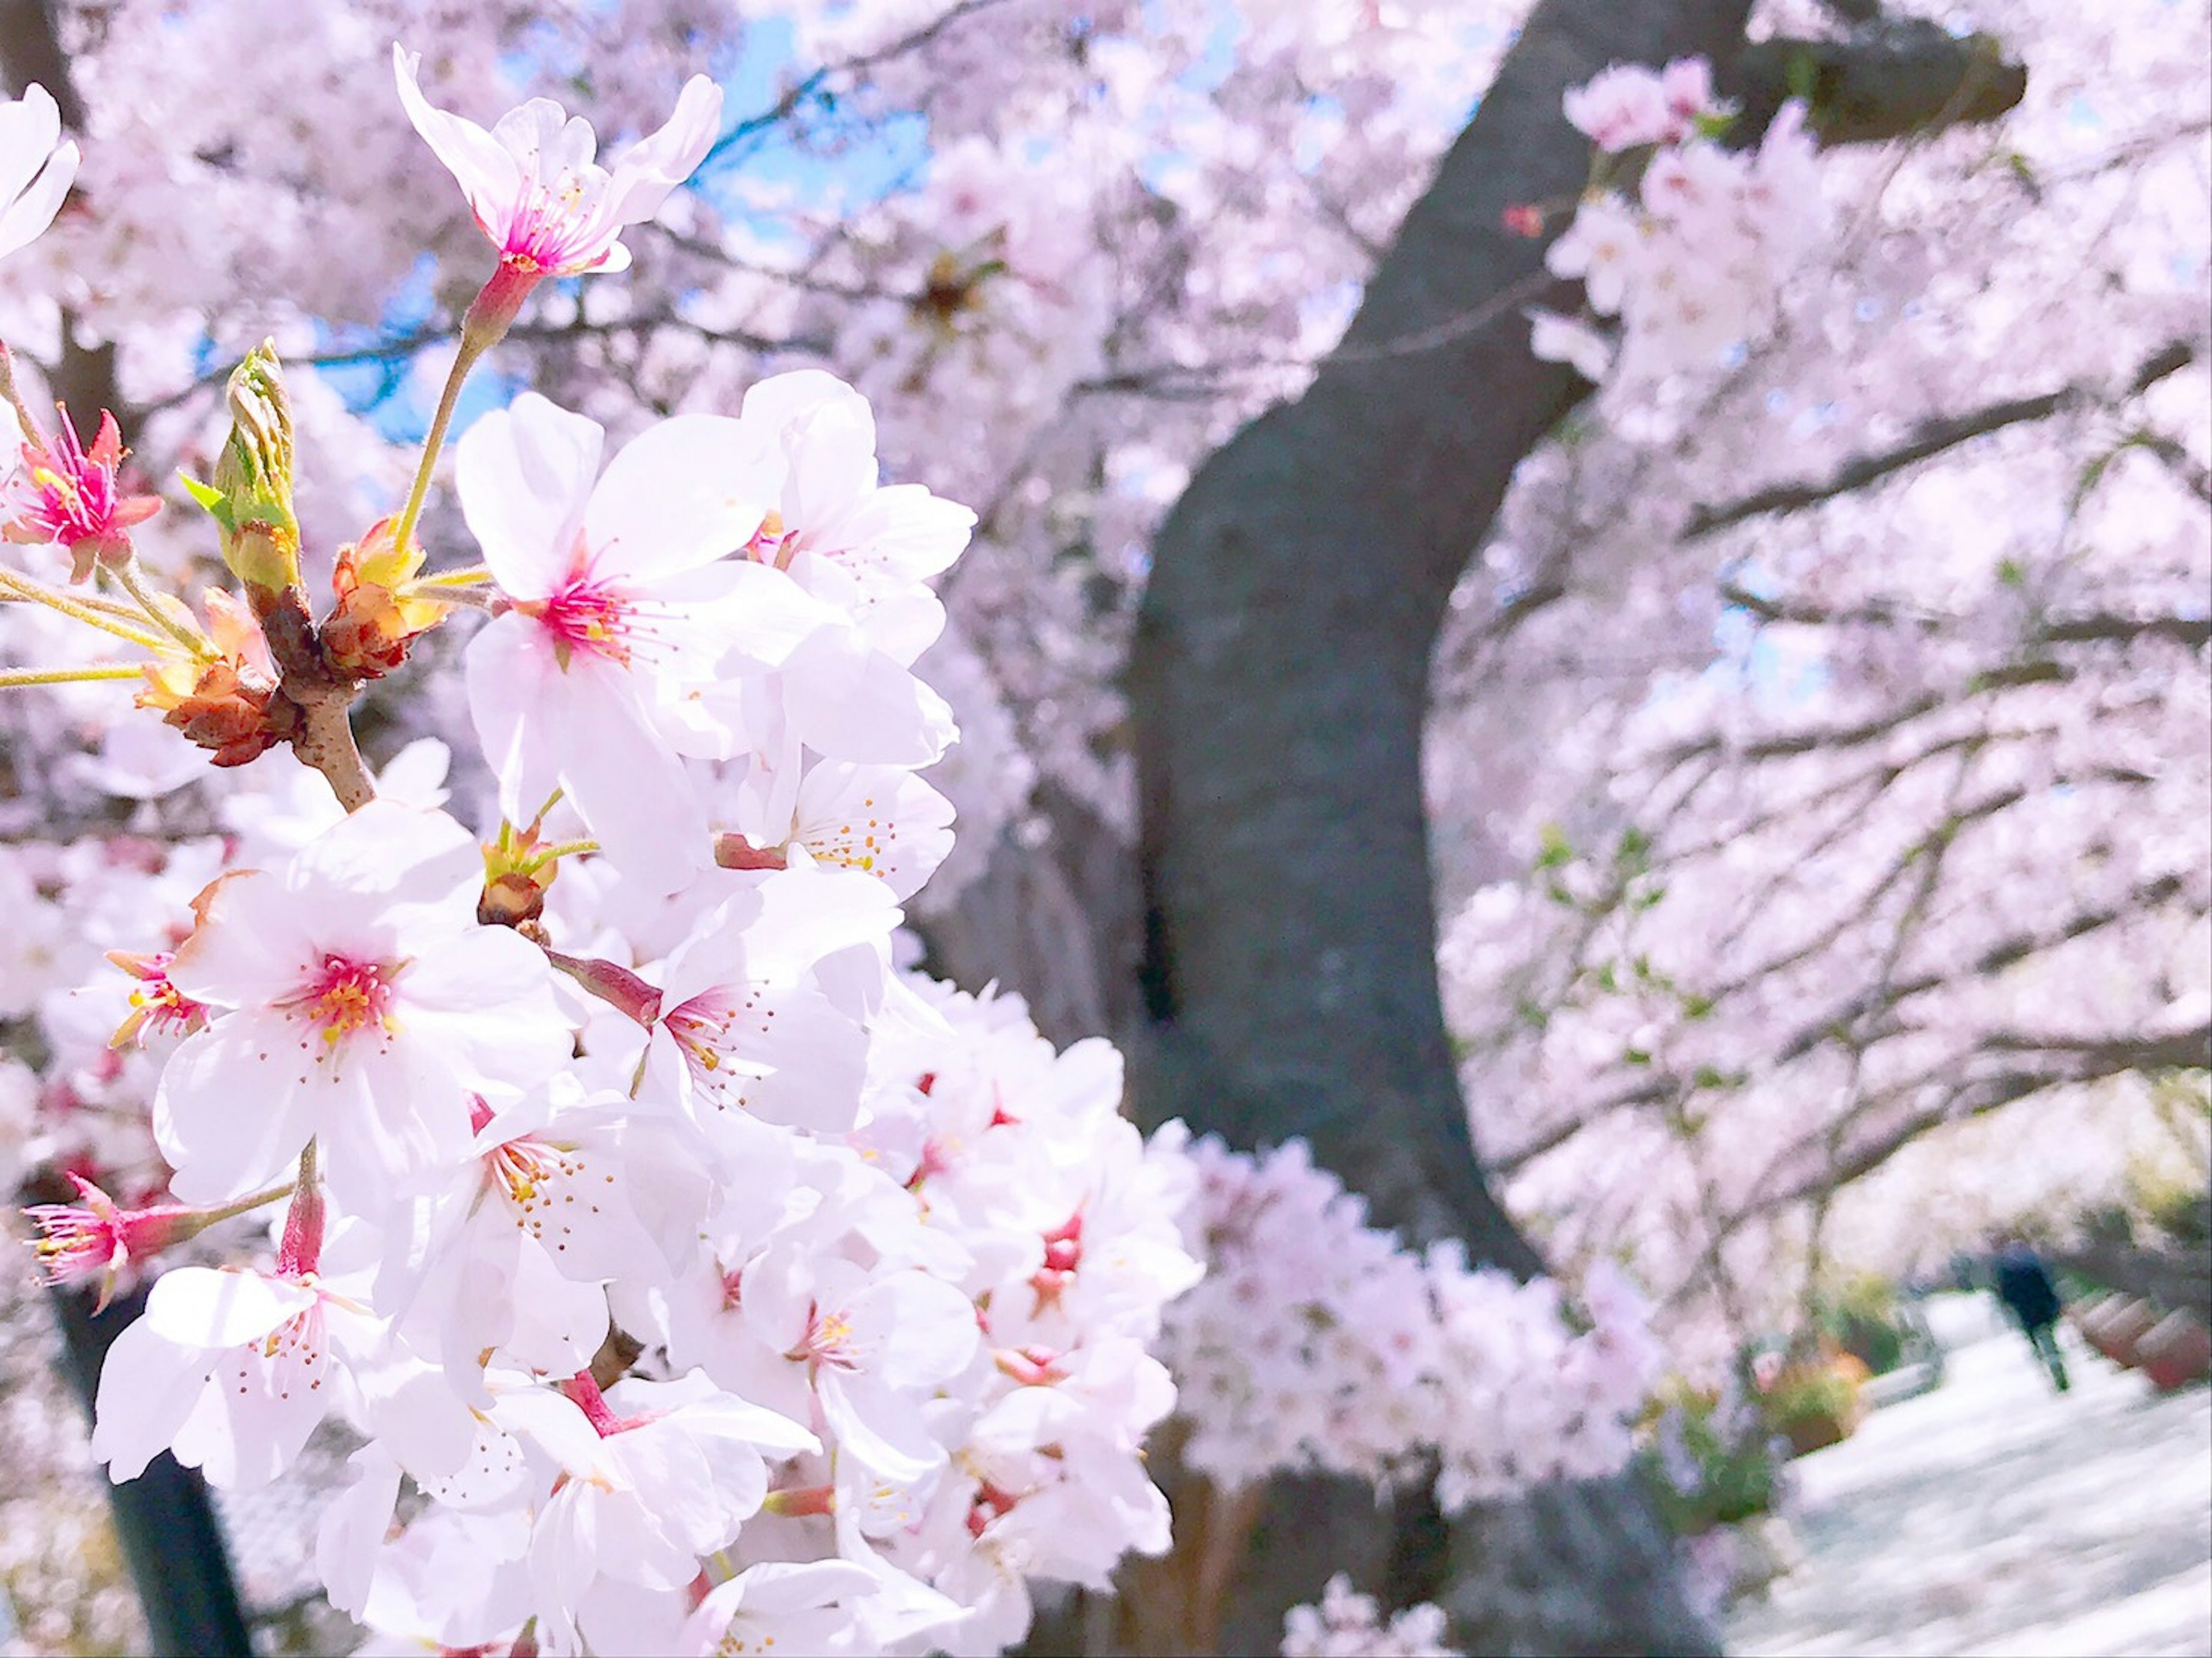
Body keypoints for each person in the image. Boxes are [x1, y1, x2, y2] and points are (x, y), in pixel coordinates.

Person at [1991, 1234, 2070, 1392]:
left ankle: (2050, 1371)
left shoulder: (2003, 1268)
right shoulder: (2029, 1260)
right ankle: (2058, 1371)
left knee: (2037, 1343)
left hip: (2025, 1312)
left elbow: (2004, 1294)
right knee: (2050, 1341)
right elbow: (2046, 1281)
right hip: (2042, 1307)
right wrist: (2055, 1302)